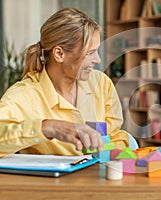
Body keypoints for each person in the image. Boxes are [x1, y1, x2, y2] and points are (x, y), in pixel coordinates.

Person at [0, 8, 128, 156]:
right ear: (59, 54)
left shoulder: (101, 84)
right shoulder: (25, 94)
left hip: (97, 176)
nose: (97, 60)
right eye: (90, 53)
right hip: (53, 180)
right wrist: (47, 127)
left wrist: (115, 154)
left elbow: (116, 135)